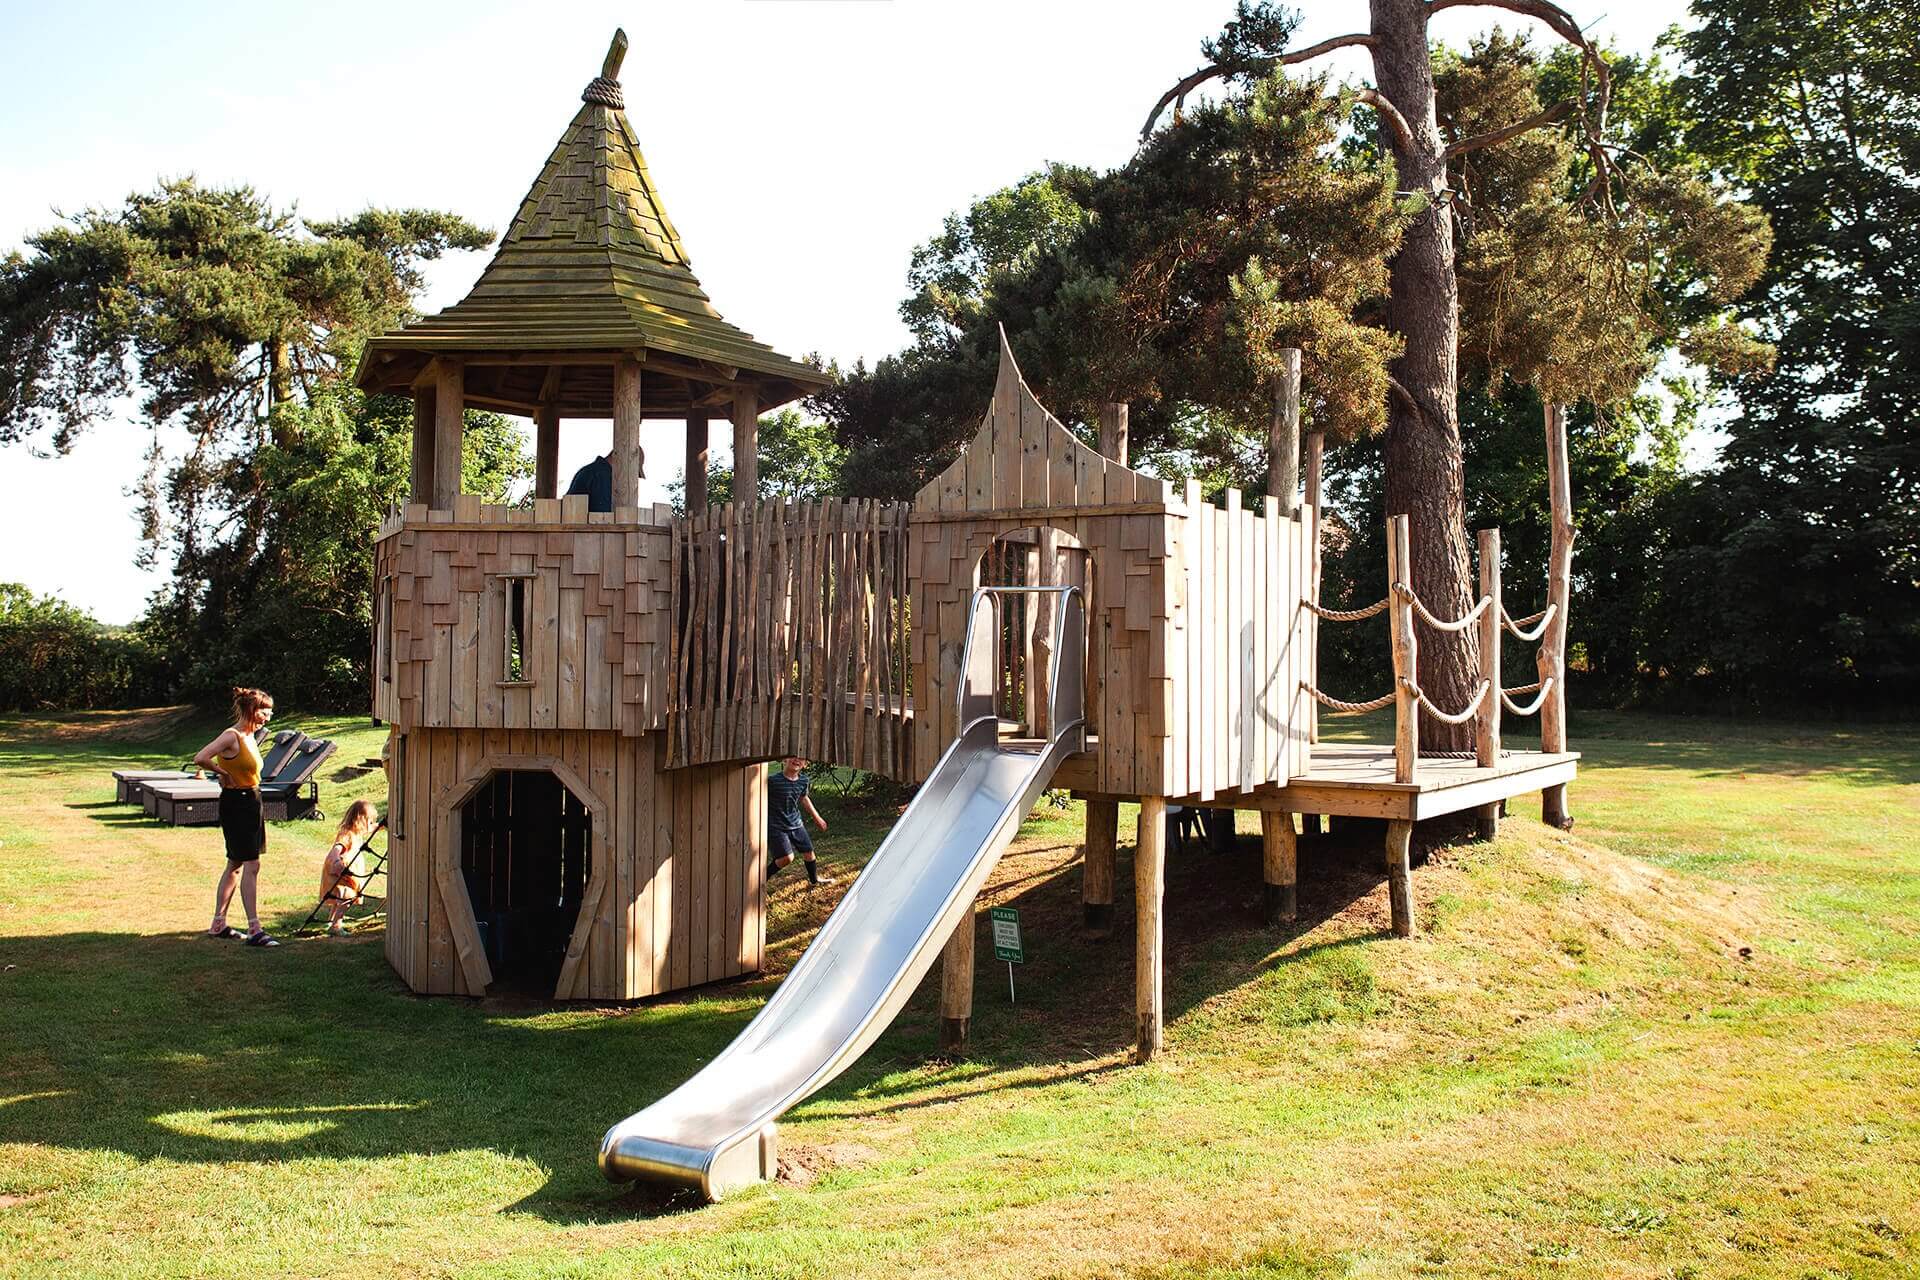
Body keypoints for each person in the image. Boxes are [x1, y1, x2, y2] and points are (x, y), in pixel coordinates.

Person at [197, 687, 278, 947]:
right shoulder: (231, 736)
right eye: (265, 711)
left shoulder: (250, 736)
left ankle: (218, 924)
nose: (269, 716)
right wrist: (222, 773)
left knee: (236, 863)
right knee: (251, 864)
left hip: (251, 800)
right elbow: (201, 757)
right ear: (252, 710)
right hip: (238, 802)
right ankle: (255, 930)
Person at [318, 800, 381, 936]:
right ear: (360, 820)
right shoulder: (347, 834)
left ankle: (330, 921)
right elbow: (337, 847)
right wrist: (336, 860)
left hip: (348, 870)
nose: (370, 825)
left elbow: (372, 828)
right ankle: (336, 925)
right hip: (341, 869)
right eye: (369, 821)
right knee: (347, 897)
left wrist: (382, 825)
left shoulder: (357, 832)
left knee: (340, 897)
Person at [766, 756, 830, 887]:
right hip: (776, 826)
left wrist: (817, 818)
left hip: (796, 823)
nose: (797, 760)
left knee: (809, 852)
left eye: (801, 759)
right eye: (793, 757)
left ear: (806, 764)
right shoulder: (772, 781)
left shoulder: (803, 781)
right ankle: (762, 878)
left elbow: (804, 798)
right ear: (784, 759)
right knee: (786, 858)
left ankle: (814, 880)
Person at [564, 447, 646, 513]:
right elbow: (603, 518)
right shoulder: (602, 476)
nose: (630, 477)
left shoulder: (592, 471)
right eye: (632, 471)